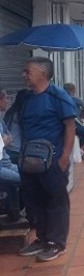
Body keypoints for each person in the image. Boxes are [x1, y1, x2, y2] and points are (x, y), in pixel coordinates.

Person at [15, 57, 77, 261]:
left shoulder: (57, 96)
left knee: (55, 200)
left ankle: (56, 243)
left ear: (42, 73)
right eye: (23, 71)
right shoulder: (24, 98)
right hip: (28, 160)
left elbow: (70, 127)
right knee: (34, 200)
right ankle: (41, 239)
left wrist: (64, 158)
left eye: (28, 71)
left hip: (52, 160)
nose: (24, 75)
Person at [0, 88, 22, 220]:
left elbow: (9, 138)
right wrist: (3, 141)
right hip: (2, 166)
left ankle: (14, 214)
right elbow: (6, 140)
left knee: (28, 175)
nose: (7, 101)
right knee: (25, 180)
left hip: (7, 163)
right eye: (5, 98)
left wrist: (3, 141)